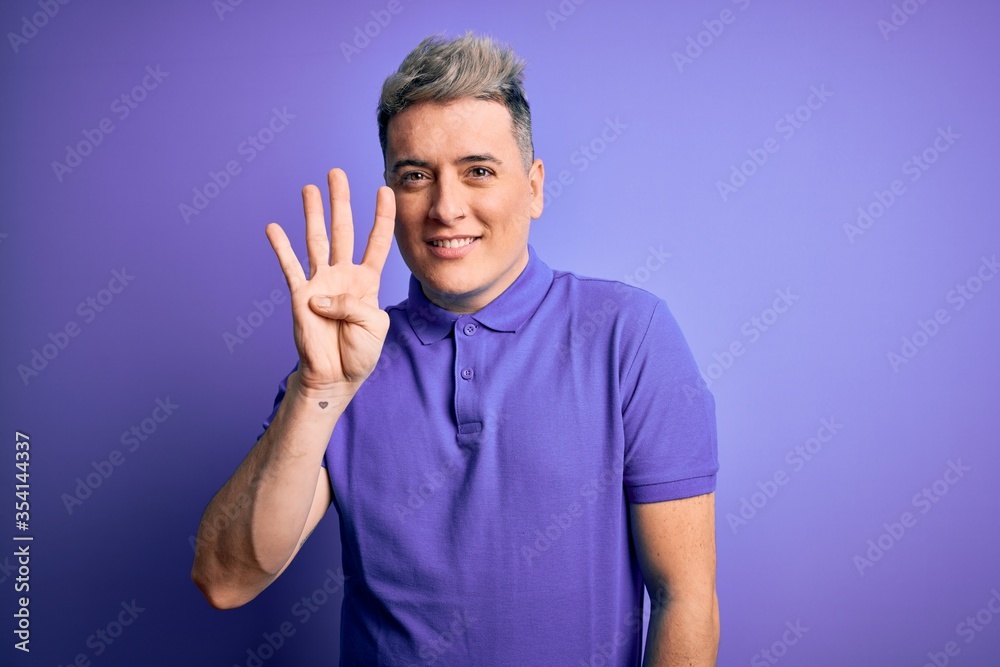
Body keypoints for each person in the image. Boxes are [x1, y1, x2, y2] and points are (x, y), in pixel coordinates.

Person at [191, 32, 720, 666]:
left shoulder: (628, 336)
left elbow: (684, 597)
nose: (446, 207)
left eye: (478, 172)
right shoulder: (340, 364)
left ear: (533, 187)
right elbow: (226, 579)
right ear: (390, 192)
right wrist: (318, 392)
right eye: (416, 177)